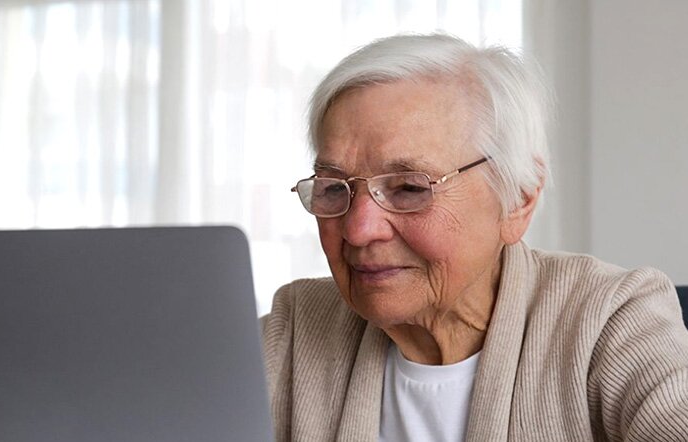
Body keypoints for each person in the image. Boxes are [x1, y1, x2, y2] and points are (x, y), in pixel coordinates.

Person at [262, 34, 688, 442]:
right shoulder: (296, 326)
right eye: (334, 187)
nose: (358, 229)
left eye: (410, 188)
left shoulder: (610, 318)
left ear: (518, 199)